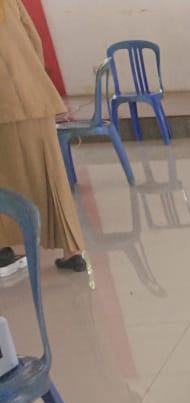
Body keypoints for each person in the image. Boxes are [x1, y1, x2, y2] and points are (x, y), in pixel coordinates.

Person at [0, 0, 86, 273]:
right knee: (50, 176)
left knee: (4, 179)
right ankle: (72, 252)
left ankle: (2, 247)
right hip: (34, 98)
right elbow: (33, 39)